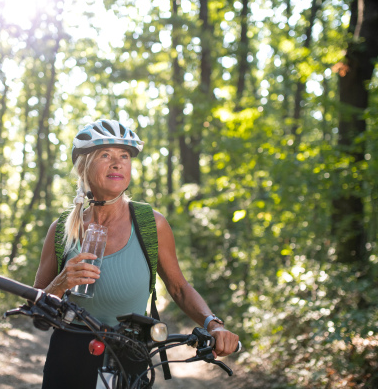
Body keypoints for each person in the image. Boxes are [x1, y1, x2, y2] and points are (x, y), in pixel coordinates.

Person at [33, 119, 239, 388]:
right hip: (69, 354)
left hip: (131, 352)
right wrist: (60, 283)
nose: (117, 163)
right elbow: (35, 311)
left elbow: (179, 288)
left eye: (124, 156)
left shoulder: (151, 224)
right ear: (84, 166)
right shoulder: (61, 230)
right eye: (105, 155)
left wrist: (214, 324)